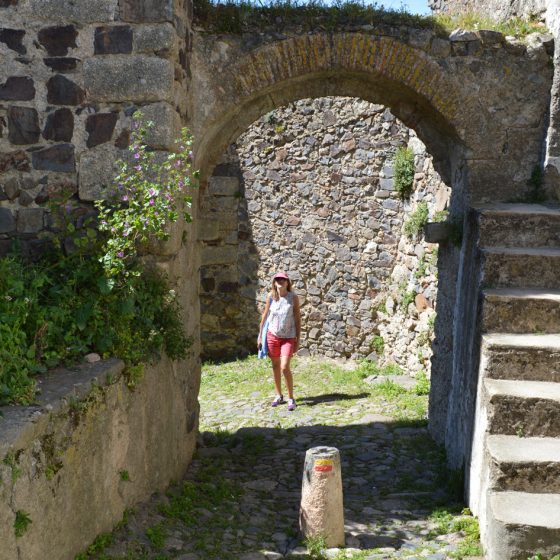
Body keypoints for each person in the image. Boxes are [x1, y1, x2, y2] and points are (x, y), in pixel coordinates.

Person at [258, 271, 301, 411]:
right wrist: (259, 335)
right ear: (274, 282)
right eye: (278, 279)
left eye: (283, 279)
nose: (280, 281)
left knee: (284, 366)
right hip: (272, 336)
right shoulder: (271, 296)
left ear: (288, 282)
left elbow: (297, 319)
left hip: (288, 337)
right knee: (275, 366)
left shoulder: (293, 298)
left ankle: (291, 397)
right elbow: (264, 316)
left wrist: (297, 340)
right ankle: (278, 395)